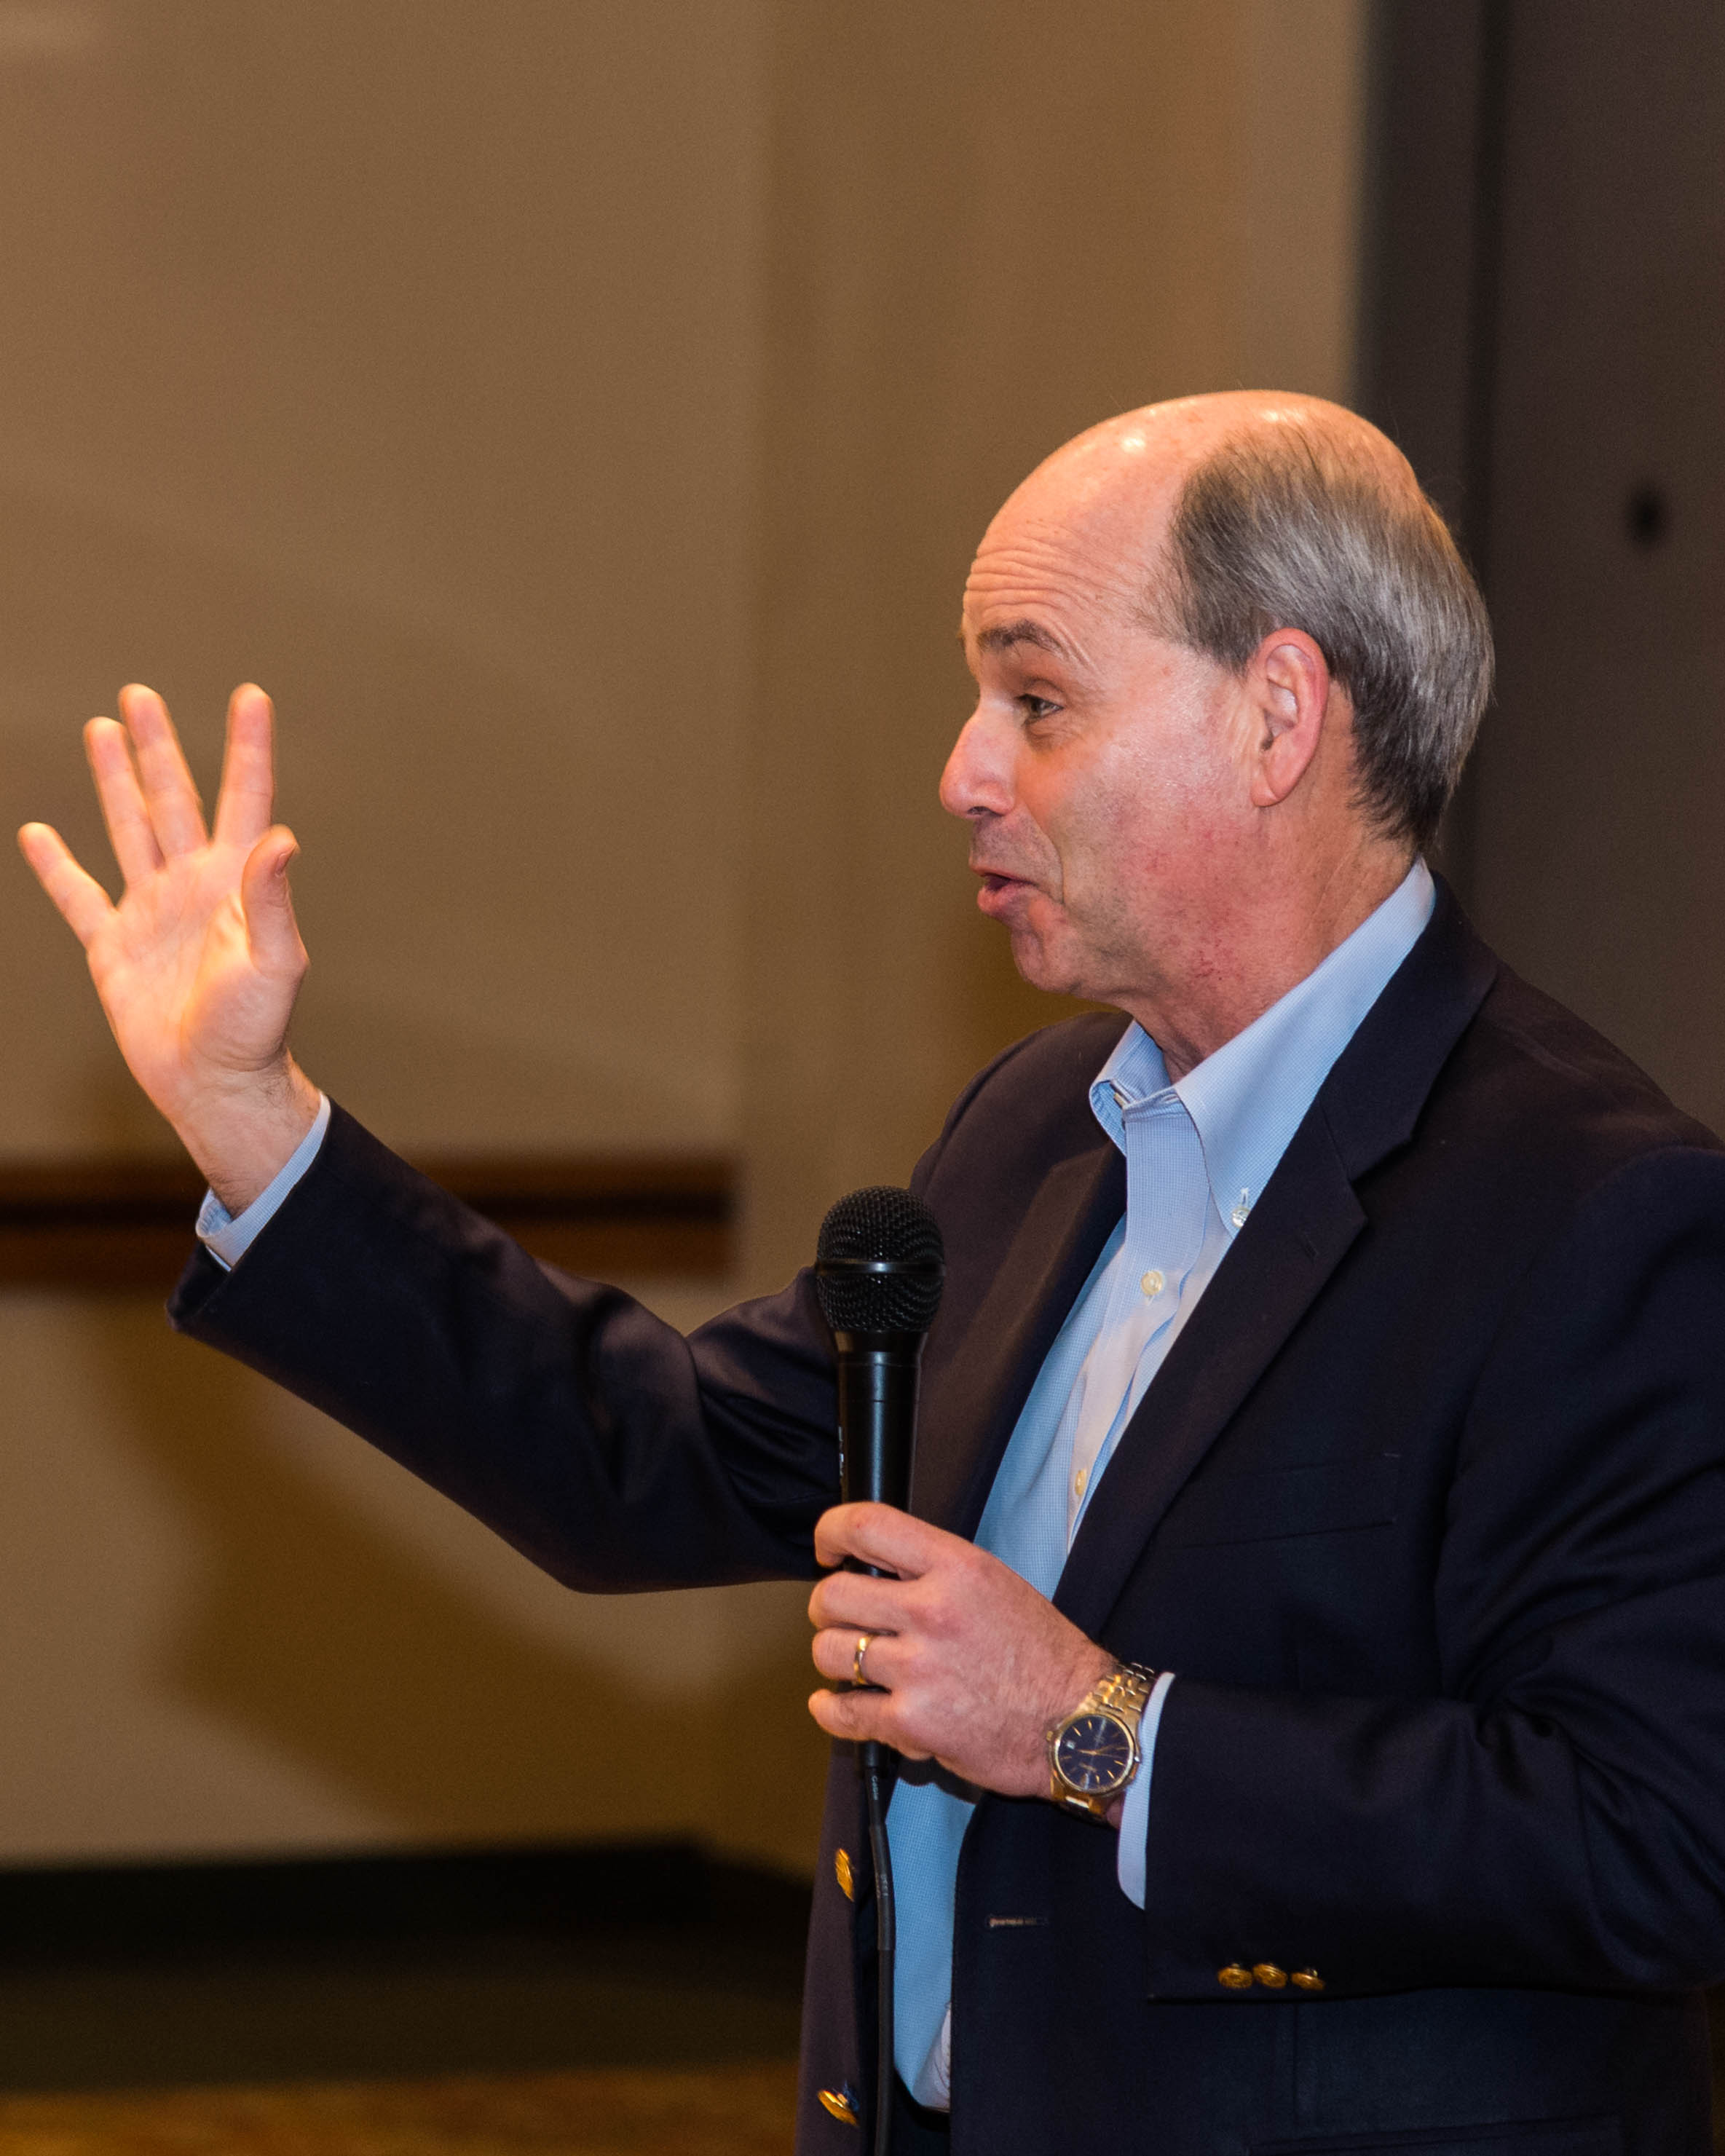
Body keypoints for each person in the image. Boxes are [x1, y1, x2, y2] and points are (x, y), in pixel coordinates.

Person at [20, 392, 1725, 2156]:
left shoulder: (1595, 1211)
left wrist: (1094, 1728)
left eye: (1036, 700)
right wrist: (251, 1117)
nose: (964, 771)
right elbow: (647, 1450)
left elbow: (1663, 1836)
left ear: (1275, 717)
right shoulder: (1032, 1128)